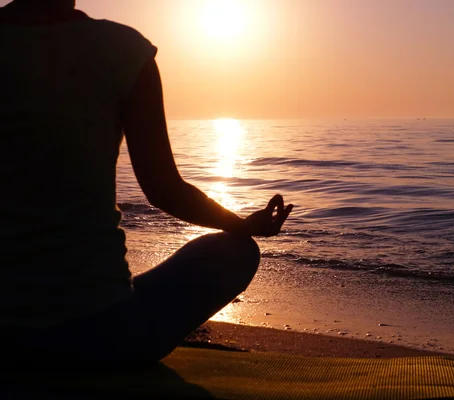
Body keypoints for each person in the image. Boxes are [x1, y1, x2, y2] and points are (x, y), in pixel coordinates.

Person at [0, 0, 293, 364]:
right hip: (99, 334)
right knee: (237, 252)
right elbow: (163, 189)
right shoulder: (121, 49)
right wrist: (242, 224)